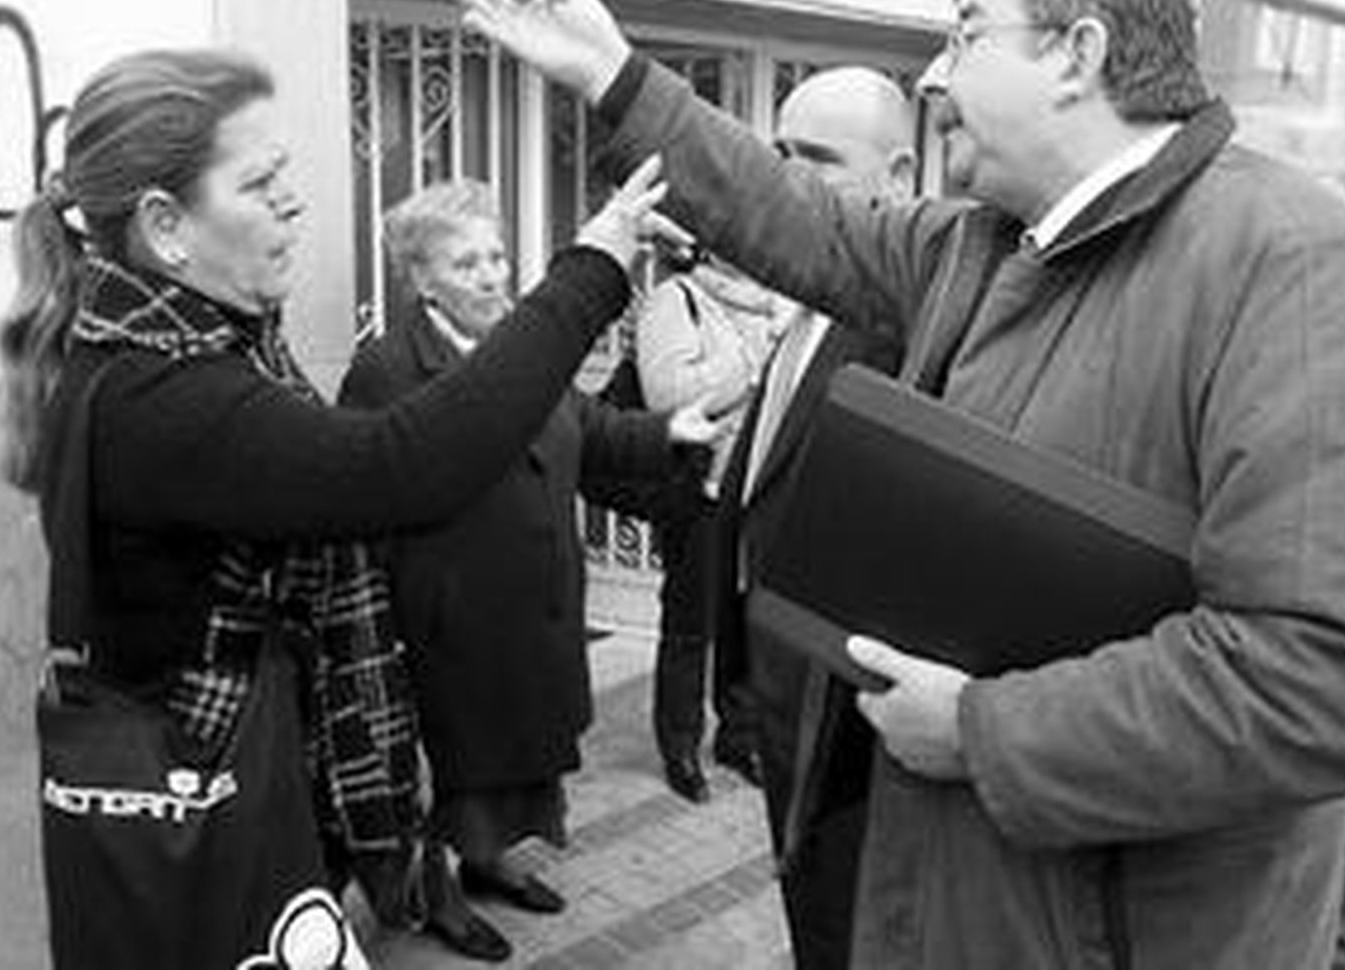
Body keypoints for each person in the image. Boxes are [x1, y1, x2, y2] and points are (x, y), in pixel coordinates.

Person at [455, 0, 1345, 970]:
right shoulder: (978, 244)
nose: (934, 78)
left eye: (968, 33)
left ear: (1077, 54)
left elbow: (1321, 677)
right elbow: (792, 213)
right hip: (958, 890)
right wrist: (614, 75)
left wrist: (988, 730)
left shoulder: (1292, 264)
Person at [0, 49, 673, 962]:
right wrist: (592, 270)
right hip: (208, 802)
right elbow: (406, 465)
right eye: (261, 183)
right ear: (165, 227)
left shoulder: (188, 350)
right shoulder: (162, 393)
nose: (293, 202)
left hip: (254, 774)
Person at [338, 179, 725, 963]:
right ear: (420, 279)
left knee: (509, 755)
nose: (492, 274)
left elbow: (588, 426)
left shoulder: (522, 343)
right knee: (452, 765)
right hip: (449, 617)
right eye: (467, 261)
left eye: (497, 255)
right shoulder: (386, 368)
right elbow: (362, 503)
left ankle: (487, 862)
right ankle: (439, 892)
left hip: (534, 605)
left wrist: (669, 429)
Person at [707, 65, 917, 967]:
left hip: (853, 745)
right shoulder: (804, 302)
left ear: (900, 178)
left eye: (818, 159)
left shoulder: (914, 325)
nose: (788, 178)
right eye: (778, 153)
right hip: (777, 698)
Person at [635, 244, 790, 801]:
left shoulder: (779, 304)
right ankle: (679, 743)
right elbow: (669, 396)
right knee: (690, 626)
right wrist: (754, 362)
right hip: (701, 494)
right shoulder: (677, 300)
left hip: (762, 491)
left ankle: (738, 735)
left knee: (749, 620)